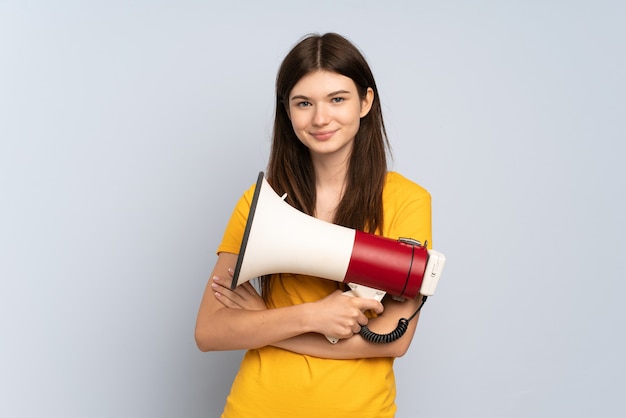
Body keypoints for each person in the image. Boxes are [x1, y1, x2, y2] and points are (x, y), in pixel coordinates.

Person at [195, 32, 432, 418]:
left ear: (365, 102)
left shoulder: (407, 201)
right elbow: (209, 331)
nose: (321, 118)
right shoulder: (259, 204)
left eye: (337, 99)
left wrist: (265, 323)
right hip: (256, 407)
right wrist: (311, 316)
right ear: (287, 111)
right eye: (304, 103)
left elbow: (395, 339)